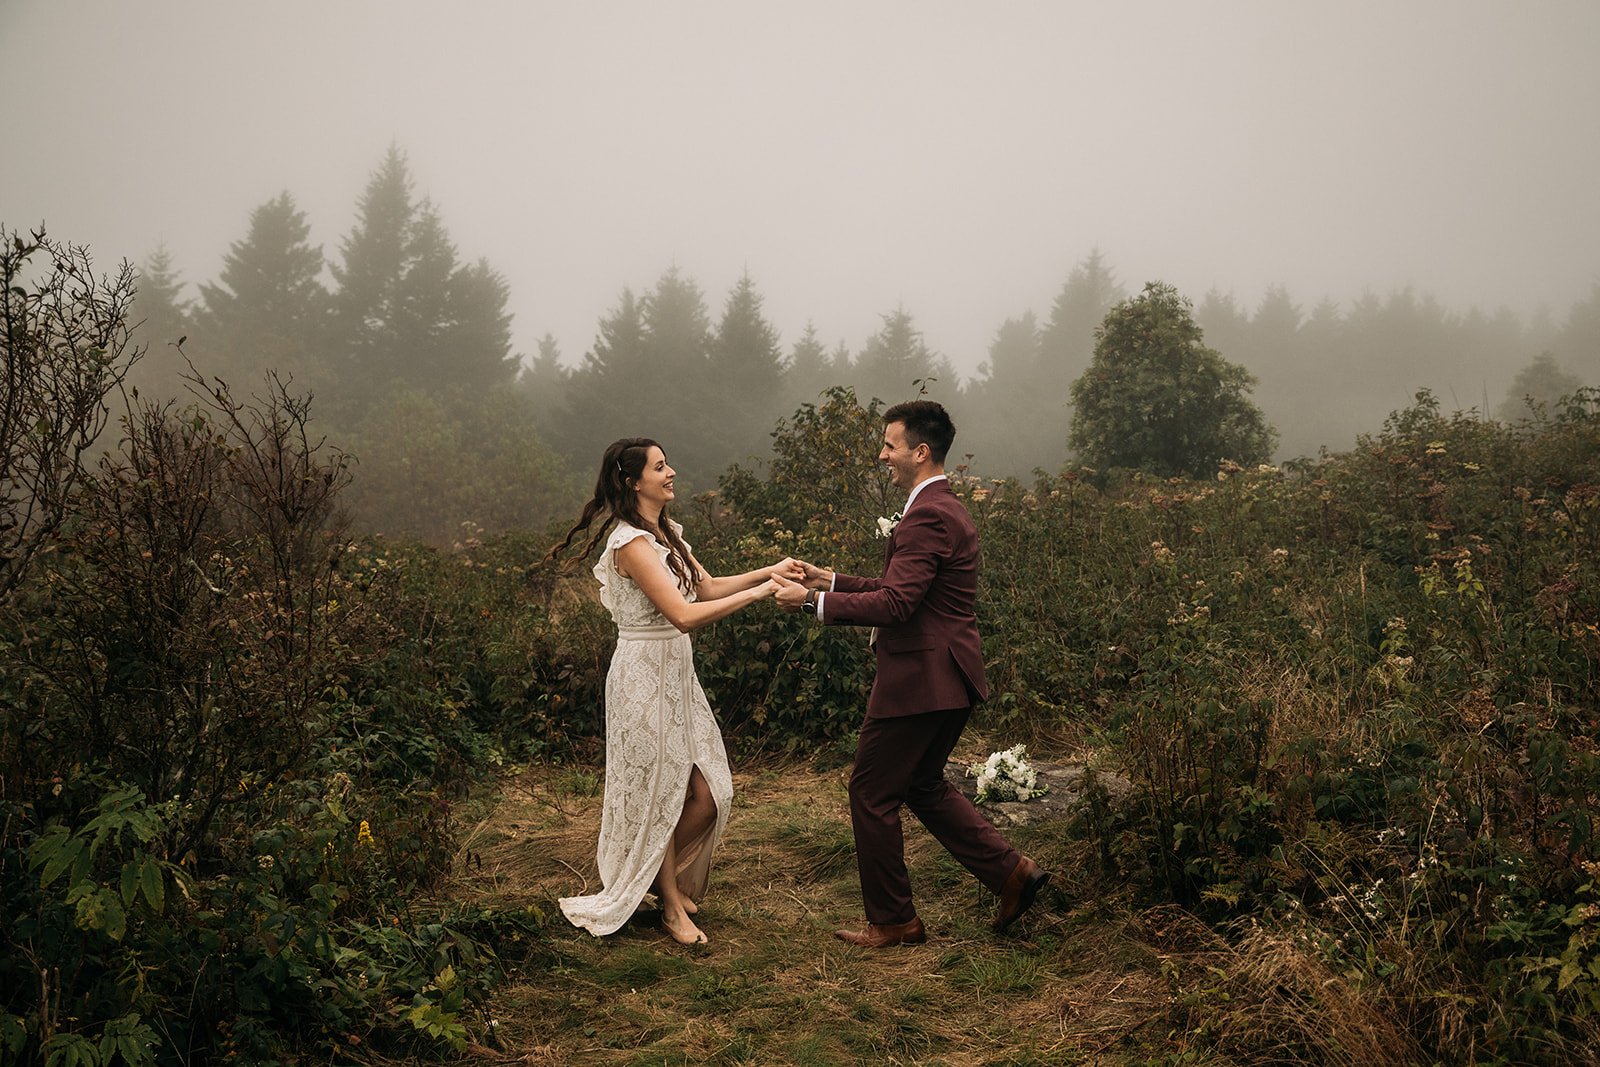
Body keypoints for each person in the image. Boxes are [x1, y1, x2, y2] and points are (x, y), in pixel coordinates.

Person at [773, 400, 1049, 947]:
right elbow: (908, 592)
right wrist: (830, 579)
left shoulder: (927, 514)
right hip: (949, 677)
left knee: (870, 793)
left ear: (920, 452)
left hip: (919, 683)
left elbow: (897, 605)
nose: (882, 456)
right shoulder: (943, 507)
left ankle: (894, 920)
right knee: (921, 785)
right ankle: (1012, 872)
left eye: (889, 445)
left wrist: (810, 603)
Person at [549, 437, 800, 945]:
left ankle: (647, 880)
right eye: (660, 467)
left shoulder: (664, 534)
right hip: (642, 675)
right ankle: (670, 907)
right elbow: (683, 616)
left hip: (677, 677)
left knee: (711, 792)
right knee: (658, 794)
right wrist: (761, 594)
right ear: (631, 481)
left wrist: (767, 570)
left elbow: (703, 589)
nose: (671, 473)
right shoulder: (631, 545)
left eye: (668, 465)